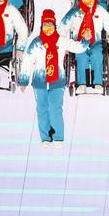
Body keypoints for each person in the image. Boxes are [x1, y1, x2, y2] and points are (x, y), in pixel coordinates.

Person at [19, 9, 90, 148]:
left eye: (50, 25)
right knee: (42, 109)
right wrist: (23, 80)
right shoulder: (36, 43)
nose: (48, 28)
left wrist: (85, 39)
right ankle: (45, 137)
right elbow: (27, 61)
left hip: (57, 81)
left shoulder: (61, 41)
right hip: (39, 82)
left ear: (54, 26)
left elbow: (77, 47)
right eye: (45, 25)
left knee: (55, 108)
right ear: (41, 26)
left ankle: (58, 137)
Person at [59, 0, 109, 94]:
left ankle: (98, 83)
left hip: (96, 42)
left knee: (97, 55)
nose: (88, 0)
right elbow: (62, 28)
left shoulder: (100, 11)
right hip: (79, 42)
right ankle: (81, 83)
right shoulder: (74, 12)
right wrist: (65, 45)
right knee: (81, 56)